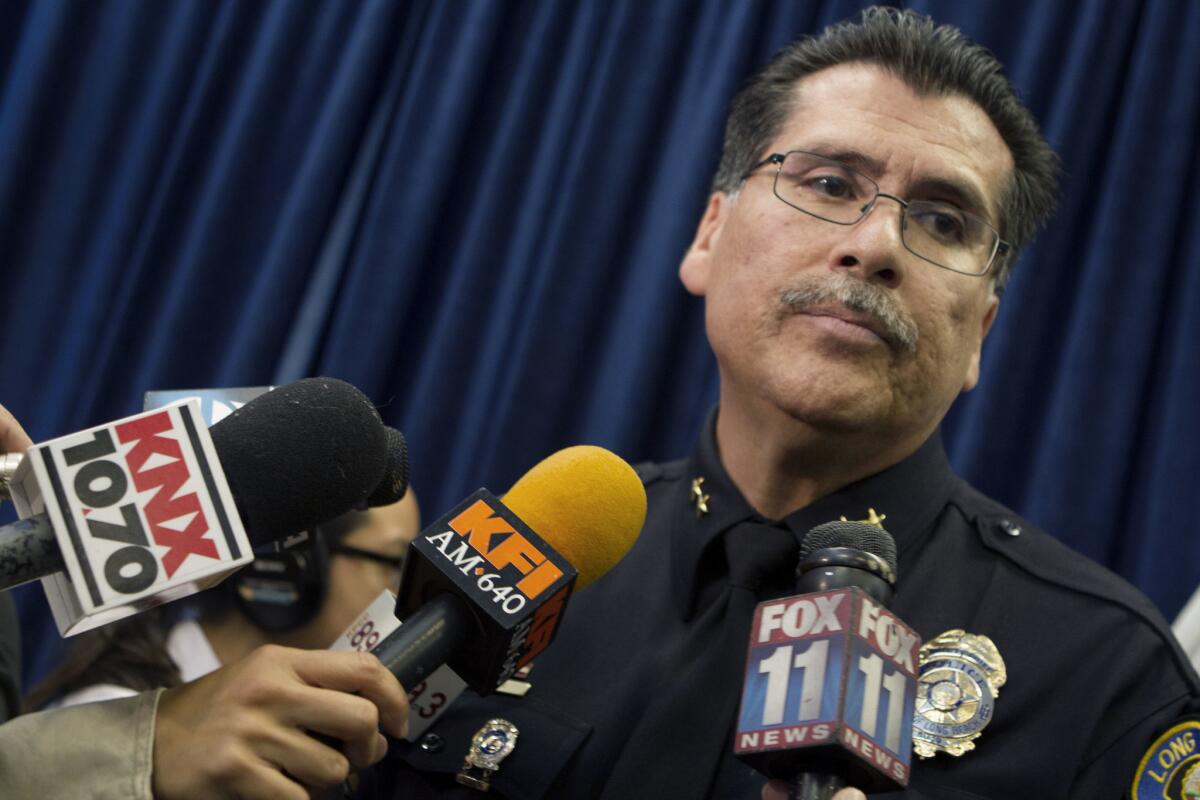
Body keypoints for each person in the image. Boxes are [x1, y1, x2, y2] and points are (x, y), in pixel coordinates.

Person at [362, 7, 1199, 799]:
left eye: (943, 222)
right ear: (708, 236)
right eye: (830, 181)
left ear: (981, 330)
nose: (872, 246)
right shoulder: (530, 562)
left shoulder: (1106, 676)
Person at [0, 400, 411, 799]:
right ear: (296, 563)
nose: (399, 592)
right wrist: (156, 752)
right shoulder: (103, 726)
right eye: (393, 562)